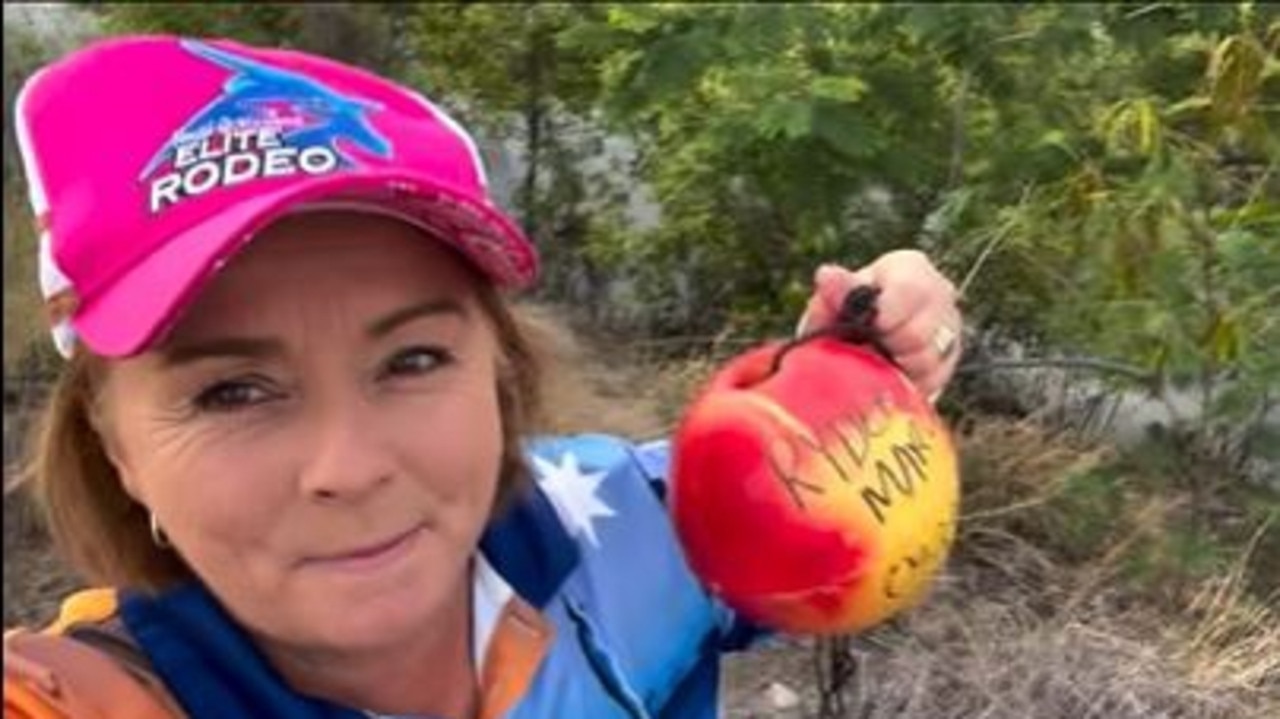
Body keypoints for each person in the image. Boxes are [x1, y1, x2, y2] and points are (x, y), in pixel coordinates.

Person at [3, 35, 963, 719]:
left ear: (499, 372)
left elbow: (812, 484)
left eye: (412, 359)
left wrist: (867, 364)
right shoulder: (89, 695)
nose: (350, 465)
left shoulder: (626, 527)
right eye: (232, 391)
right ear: (113, 445)